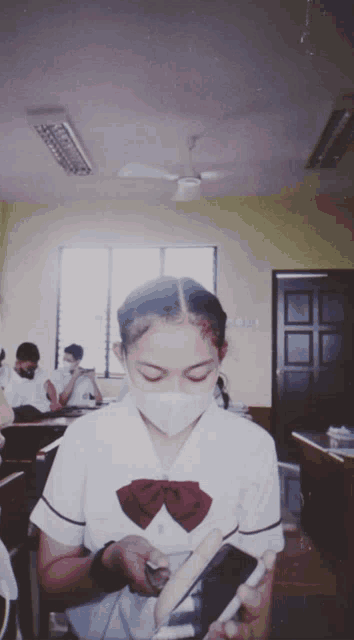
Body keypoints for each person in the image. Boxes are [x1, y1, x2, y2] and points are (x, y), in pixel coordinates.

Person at [30, 277, 284, 640]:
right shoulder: (86, 440)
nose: (174, 394)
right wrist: (109, 564)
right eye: (152, 374)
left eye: (198, 375)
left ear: (221, 356)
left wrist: (246, 628)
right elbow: (51, 582)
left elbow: (259, 596)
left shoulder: (252, 447)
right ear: (121, 356)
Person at [3, 342, 61, 414]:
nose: (32, 371)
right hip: (18, 416)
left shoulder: (38, 371)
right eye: (29, 368)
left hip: (42, 414)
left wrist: (55, 402)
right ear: (18, 363)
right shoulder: (7, 376)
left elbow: (48, 385)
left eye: (34, 367)